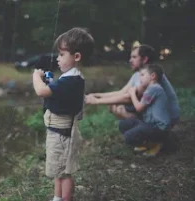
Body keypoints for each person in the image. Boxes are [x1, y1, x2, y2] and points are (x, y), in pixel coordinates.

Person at [32, 27, 94, 201]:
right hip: (59, 132)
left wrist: (36, 76)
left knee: (64, 172)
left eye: (61, 54)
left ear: (76, 57)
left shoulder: (71, 80)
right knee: (59, 170)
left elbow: (42, 91)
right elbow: (57, 93)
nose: (57, 59)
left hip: (62, 135)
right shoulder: (71, 78)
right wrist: (51, 81)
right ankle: (57, 197)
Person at [84, 44, 180, 125]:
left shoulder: (150, 76)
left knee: (119, 107)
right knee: (114, 105)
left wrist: (96, 101)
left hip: (167, 117)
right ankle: (144, 136)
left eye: (134, 57)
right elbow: (121, 92)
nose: (130, 60)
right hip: (153, 113)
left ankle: (152, 138)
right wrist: (96, 95)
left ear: (145, 59)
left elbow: (128, 98)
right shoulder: (138, 74)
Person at [119, 64, 171, 156]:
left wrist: (132, 93)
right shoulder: (151, 89)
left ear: (152, 76)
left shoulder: (153, 89)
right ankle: (147, 142)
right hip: (150, 124)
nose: (140, 79)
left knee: (128, 137)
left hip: (159, 128)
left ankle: (155, 144)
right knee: (123, 124)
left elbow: (139, 108)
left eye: (142, 75)